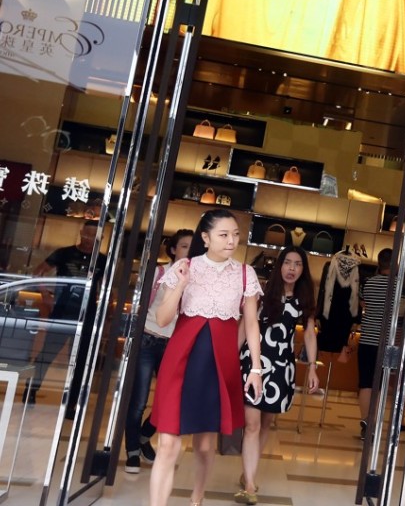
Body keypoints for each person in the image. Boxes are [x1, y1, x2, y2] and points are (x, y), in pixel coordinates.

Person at [148, 209, 263, 506]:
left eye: (235, 234)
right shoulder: (184, 267)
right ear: (205, 237)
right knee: (168, 442)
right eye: (224, 235)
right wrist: (182, 284)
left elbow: (251, 324)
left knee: (204, 444)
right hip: (181, 358)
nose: (231, 241)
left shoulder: (244, 273)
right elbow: (162, 319)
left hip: (219, 362)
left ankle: (196, 500)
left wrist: (256, 368)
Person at [235, 245, 319, 504]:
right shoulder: (260, 293)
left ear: (303, 270)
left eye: (297, 264)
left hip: (282, 367)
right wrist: (231, 357)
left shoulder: (304, 301)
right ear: (279, 265)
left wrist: (313, 366)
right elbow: (245, 326)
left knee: (266, 424)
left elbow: (309, 333)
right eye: (287, 262)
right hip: (254, 362)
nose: (291, 268)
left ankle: (248, 471)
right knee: (252, 424)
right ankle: (249, 484)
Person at [124, 229, 193, 474]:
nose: (189, 251)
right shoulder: (160, 273)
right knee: (139, 400)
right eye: (184, 246)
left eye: (193, 247)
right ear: (173, 249)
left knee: (169, 399)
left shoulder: (195, 281)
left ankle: (144, 435)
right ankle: (132, 449)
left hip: (173, 344)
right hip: (147, 339)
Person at [27, 220, 107, 404]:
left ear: (100, 238)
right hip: (62, 310)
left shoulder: (102, 260)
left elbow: (105, 286)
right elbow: (38, 272)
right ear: (81, 232)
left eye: (94, 236)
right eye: (86, 234)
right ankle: (31, 389)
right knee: (48, 352)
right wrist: (46, 294)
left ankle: (72, 401)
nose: (89, 239)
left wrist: (104, 305)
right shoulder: (64, 253)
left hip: (87, 313)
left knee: (81, 357)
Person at [356, 248, 392, 439]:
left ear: (379, 263)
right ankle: (374, 423)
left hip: (367, 339)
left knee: (366, 383)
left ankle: (365, 421)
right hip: (387, 342)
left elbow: (363, 305)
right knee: (380, 385)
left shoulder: (368, 283)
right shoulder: (399, 286)